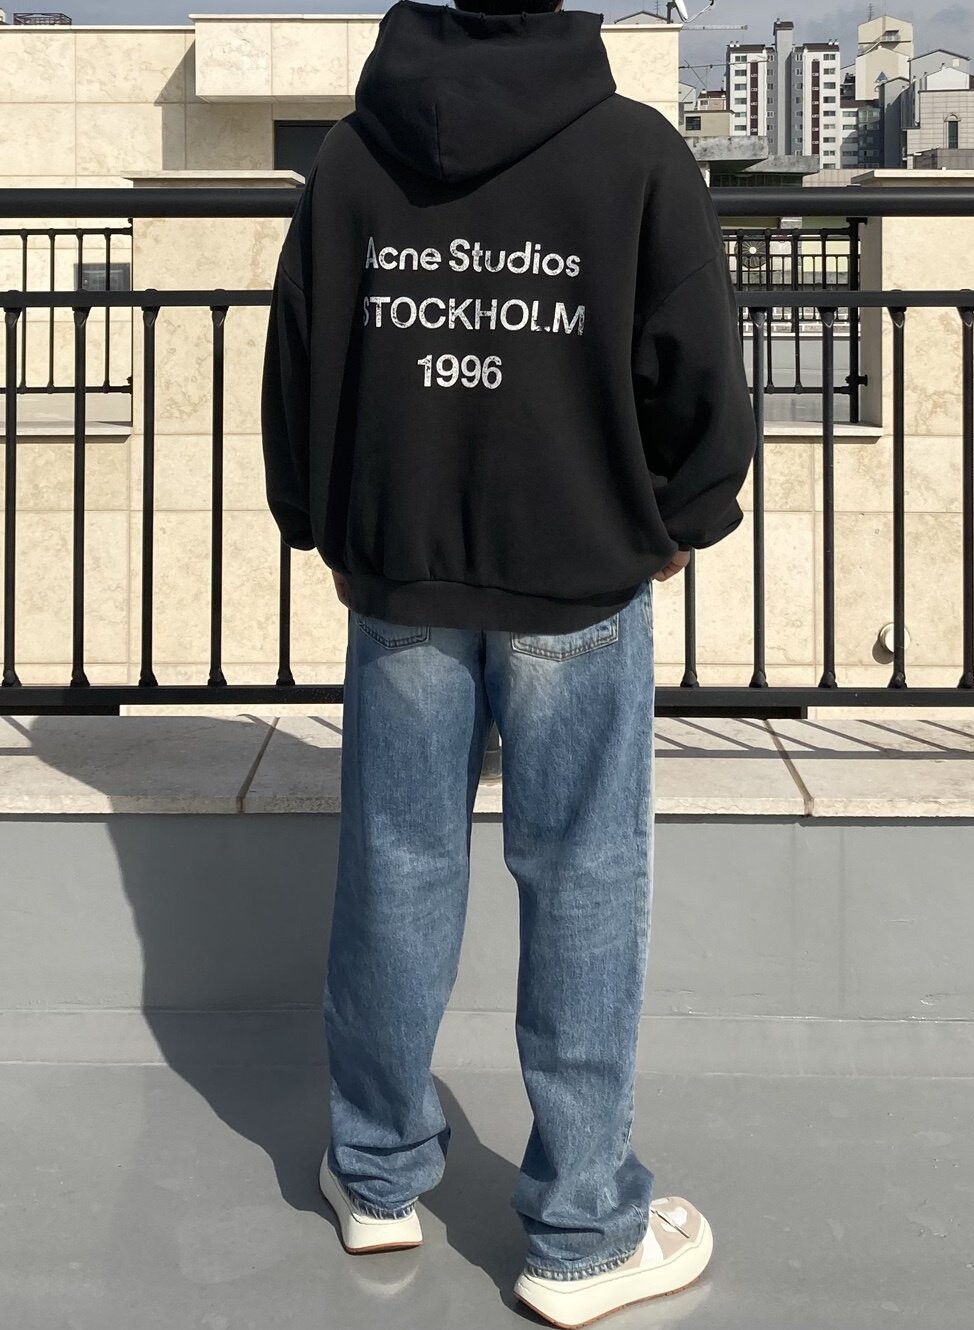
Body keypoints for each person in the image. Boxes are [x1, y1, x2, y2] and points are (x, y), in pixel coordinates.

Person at [260, 0, 756, 1323]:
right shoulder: (636, 154)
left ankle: (375, 1174)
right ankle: (584, 1230)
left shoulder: (355, 158)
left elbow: (300, 356)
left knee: (396, 866)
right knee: (584, 877)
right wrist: (684, 516)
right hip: (577, 572)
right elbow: (699, 367)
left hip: (402, 574)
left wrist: (322, 522)